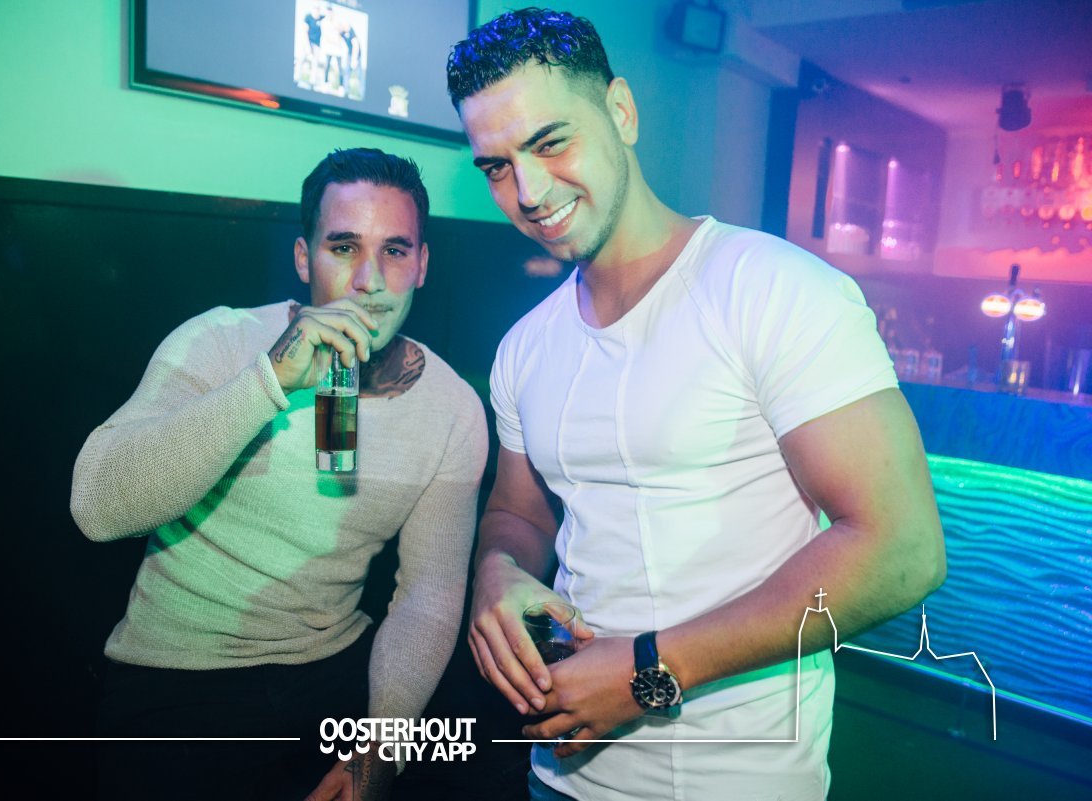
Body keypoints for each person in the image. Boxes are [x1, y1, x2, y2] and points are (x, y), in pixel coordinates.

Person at [446, 9, 945, 801]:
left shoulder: (774, 290)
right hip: (560, 774)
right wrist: (495, 575)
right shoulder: (525, 346)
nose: (529, 192)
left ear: (621, 111)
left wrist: (648, 671)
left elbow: (902, 550)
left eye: (551, 143)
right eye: (497, 167)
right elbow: (519, 512)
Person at [71, 148, 488, 801]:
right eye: (344, 247)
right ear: (303, 257)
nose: (369, 280)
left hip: (332, 669)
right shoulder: (220, 341)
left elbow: (429, 595)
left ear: (422, 265)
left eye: (395, 251)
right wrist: (269, 380)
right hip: (179, 676)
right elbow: (97, 505)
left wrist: (384, 748)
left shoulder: (454, 408)